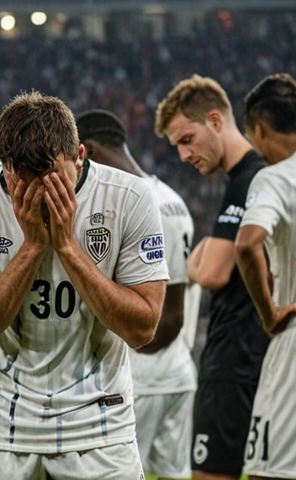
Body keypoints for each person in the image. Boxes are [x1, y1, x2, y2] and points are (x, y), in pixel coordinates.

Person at [0, 91, 169, 479]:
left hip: (101, 427)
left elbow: (143, 329)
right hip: (0, 426)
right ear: (5, 168)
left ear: (80, 157)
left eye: (54, 181)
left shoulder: (130, 197)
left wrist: (66, 246)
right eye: (25, 184)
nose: (41, 197)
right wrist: (31, 248)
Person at [155, 74, 270, 480]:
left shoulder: (246, 181)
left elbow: (212, 272)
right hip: (264, 359)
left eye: (187, 139)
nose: (184, 154)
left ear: (216, 121)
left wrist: (198, 257)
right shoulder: (266, 175)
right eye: (177, 146)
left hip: (233, 360)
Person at [77, 109, 199, 480]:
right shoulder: (170, 197)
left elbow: (169, 317)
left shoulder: (138, 202)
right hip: (177, 374)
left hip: (142, 378)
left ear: (89, 151)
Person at [235, 73, 296, 479]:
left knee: (274, 469)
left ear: (259, 131)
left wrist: (268, 314)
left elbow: (247, 245)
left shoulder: (274, 177)